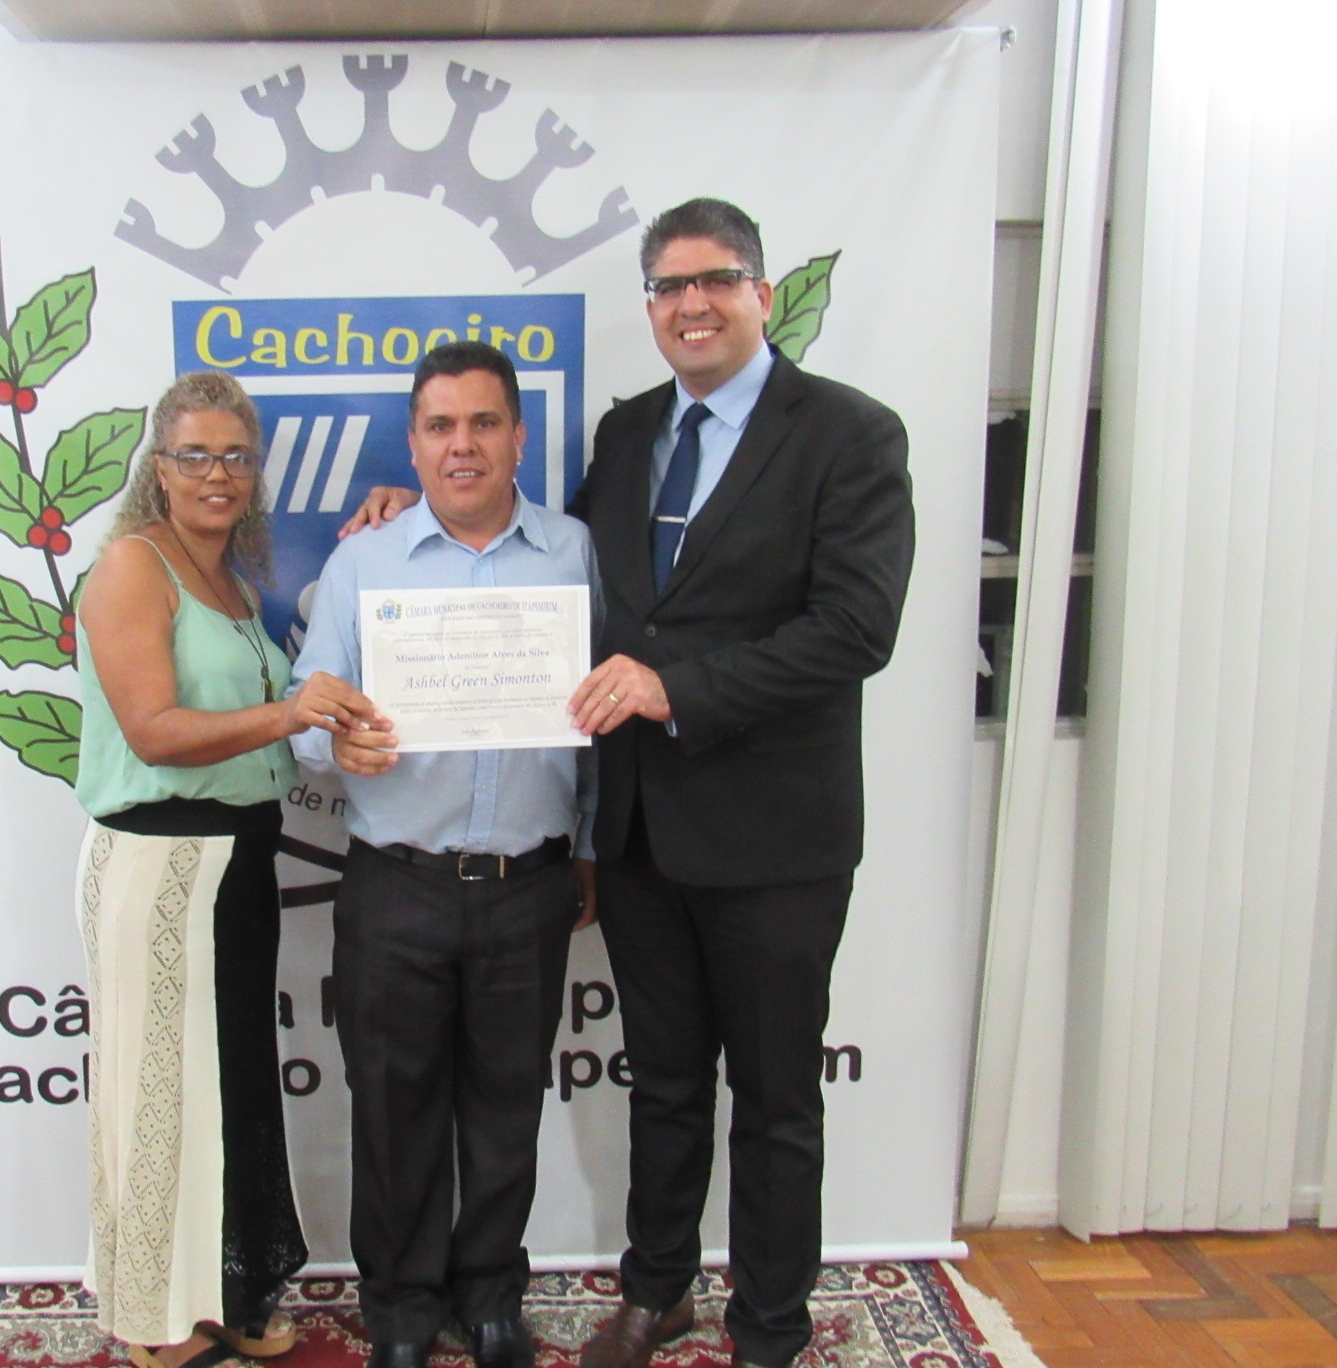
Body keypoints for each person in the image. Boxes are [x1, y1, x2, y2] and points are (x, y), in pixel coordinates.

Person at [344, 199, 914, 1368]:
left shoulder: (848, 433)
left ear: (761, 294)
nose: (691, 304)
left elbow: (856, 629)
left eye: (715, 280)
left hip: (775, 839)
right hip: (646, 837)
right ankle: (656, 1293)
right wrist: (414, 513)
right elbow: (556, 580)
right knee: (662, 1085)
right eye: (668, 286)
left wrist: (673, 689)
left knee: (774, 1101)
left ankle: (766, 1326)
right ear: (649, 305)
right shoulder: (629, 431)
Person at [291, 341, 600, 1368]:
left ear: (518, 437)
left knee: (507, 1107)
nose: (461, 445)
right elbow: (306, 714)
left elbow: (604, 713)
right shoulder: (362, 562)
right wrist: (334, 741)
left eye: (482, 423)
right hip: (397, 883)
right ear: (414, 445)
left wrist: (592, 846)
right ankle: (399, 1311)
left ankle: (491, 1298)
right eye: (440, 426)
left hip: (529, 883)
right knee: (393, 1111)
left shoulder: (574, 554)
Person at [74, 371, 381, 1368]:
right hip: (159, 863)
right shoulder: (132, 567)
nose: (217, 474)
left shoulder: (234, 586)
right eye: (194, 454)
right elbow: (154, 732)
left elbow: (256, 733)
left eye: (235, 456)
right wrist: (291, 712)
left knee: (233, 1088)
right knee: (159, 1096)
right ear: (157, 468)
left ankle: (232, 1290)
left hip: (237, 861)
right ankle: (153, 1319)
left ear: (255, 473)